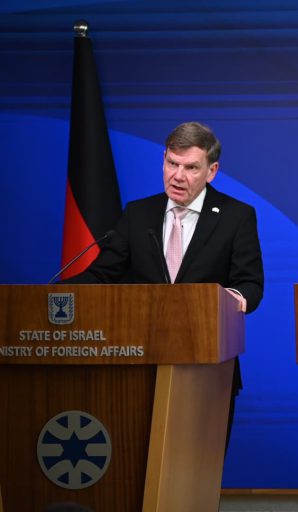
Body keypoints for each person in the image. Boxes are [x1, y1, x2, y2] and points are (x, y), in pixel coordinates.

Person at [62, 121, 264, 444]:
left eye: (191, 167)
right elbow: (102, 275)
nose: (178, 176)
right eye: (172, 163)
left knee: (199, 459)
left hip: (208, 365)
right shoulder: (138, 214)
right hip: (137, 362)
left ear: (211, 171)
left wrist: (232, 299)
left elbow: (250, 283)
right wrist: (53, 295)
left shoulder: (236, 216)